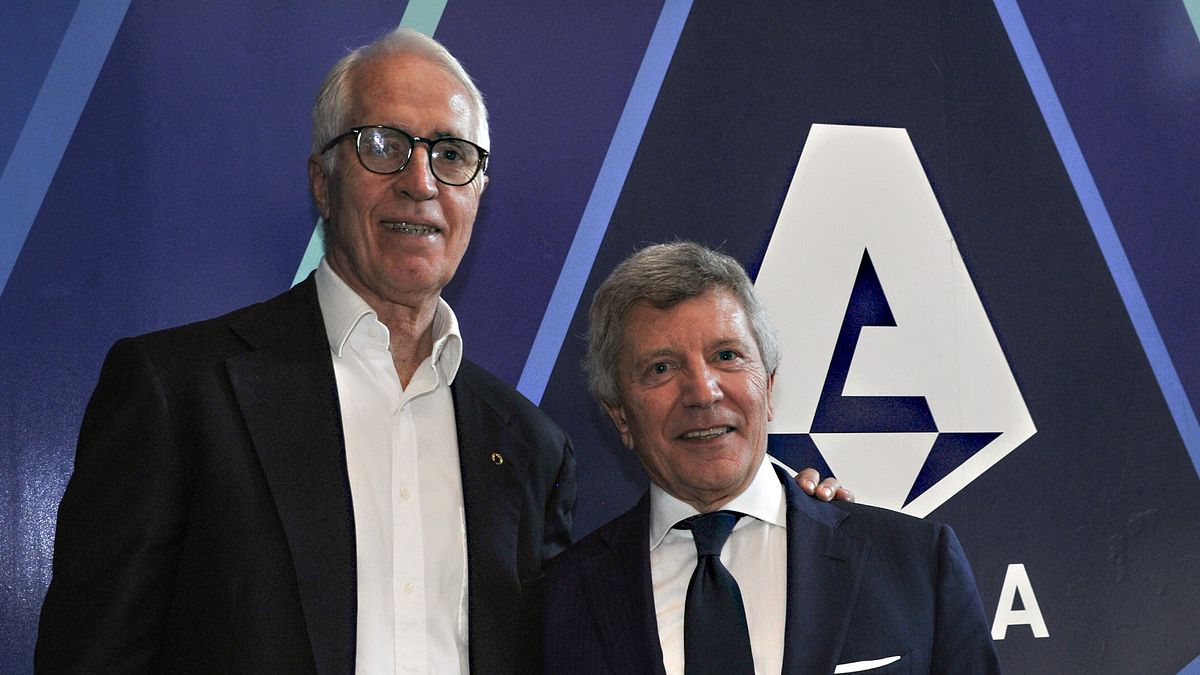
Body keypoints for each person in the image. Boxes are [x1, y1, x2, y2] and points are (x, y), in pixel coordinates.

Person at [35, 28, 847, 674]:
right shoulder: (180, 393)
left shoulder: (529, 449)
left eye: (451, 155)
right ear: (322, 180)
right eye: (382, 145)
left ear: (477, 192)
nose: (420, 181)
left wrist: (794, 523)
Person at [543, 242, 1000, 674]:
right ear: (620, 416)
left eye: (726, 355)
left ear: (769, 385)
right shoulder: (560, 600)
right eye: (661, 367)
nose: (703, 392)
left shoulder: (917, 562)